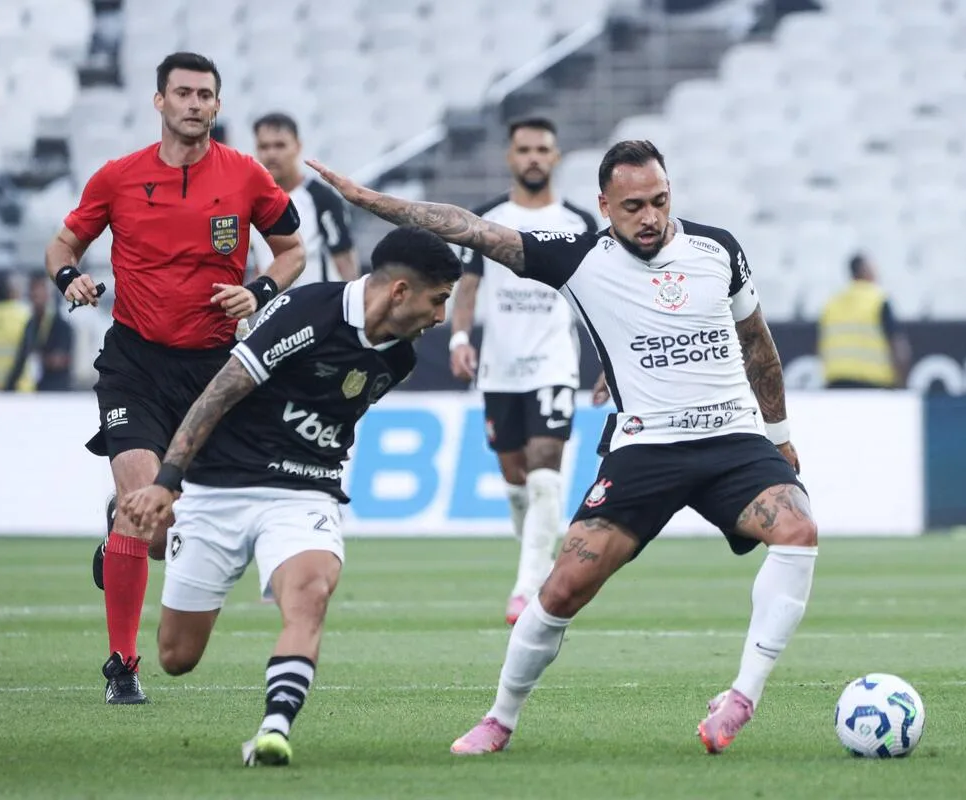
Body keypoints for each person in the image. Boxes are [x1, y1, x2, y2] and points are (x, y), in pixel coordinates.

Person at [308, 139, 818, 756]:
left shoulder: (718, 250)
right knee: (562, 590)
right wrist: (371, 203)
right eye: (633, 206)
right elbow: (470, 230)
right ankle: (499, 719)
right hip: (647, 448)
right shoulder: (578, 259)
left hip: (731, 438)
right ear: (604, 206)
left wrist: (779, 435)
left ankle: (741, 697)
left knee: (798, 530)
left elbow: (757, 344)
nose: (651, 218)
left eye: (659, 201)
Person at [118, 226, 460, 766]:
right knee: (176, 656)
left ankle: (274, 729)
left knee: (310, 596)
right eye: (437, 300)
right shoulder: (309, 311)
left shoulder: (401, 358)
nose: (441, 317)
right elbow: (219, 392)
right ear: (399, 292)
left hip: (305, 492)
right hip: (217, 489)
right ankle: (159, 523)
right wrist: (167, 481)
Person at [43, 52, 305, 705]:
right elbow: (61, 245)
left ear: (217, 106)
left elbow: (293, 250)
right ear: (159, 101)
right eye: (182, 93)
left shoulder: (245, 177)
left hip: (215, 369)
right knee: (142, 513)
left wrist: (262, 290)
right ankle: (122, 665)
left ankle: (121, 538)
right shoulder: (118, 178)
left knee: (161, 533)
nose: (194, 103)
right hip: (133, 362)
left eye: (205, 95)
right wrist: (68, 278)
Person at [448, 117, 598, 625]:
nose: (534, 157)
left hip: (554, 364)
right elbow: (468, 285)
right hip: (500, 370)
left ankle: (528, 586)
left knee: (543, 476)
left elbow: (602, 298)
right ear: (511, 158)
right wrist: (460, 336)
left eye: (543, 149)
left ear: (555, 158)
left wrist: (609, 363)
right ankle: (537, 558)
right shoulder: (488, 218)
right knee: (517, 484)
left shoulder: (579, 223)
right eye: (525, 149)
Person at [249, 113, 359, 286]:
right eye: (264, 147)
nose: (271, 154)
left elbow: (344, 260)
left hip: (318, 308)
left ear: (297, 146)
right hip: (273, 310)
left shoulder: (321, 198)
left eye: (280, 145)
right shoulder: (251, 201)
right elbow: (259, 262)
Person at [817, 253, 911, 389]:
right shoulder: (878, 300)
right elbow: (898, 346)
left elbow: (820, 346)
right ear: (864, 270)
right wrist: (901, 384)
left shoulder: (831, 304)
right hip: (872, 386)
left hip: (836, 386)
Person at [4, 272, 74, 391]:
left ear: (47, 295)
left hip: (57, 390)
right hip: (34, 389)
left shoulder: (61, 325)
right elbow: (21, 357)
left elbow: (61, 360)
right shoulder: (29, 324)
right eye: (33, 292)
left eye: (39, 291)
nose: (35, 295)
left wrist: (39, 360)